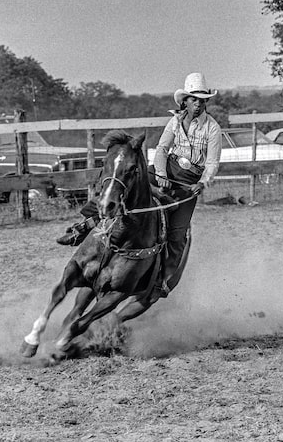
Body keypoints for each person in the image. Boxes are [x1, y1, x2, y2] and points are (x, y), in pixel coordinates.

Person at [55, 72, 222, 298]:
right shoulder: (175, 122)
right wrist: (160, 173)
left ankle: (164, 278)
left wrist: (203, 182)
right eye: (194, 99)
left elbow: (212, 162)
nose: (198, 104)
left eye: (202, 100)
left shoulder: (212, 128)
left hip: (188, 183)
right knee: (120, 187)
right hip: (165, 169)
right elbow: (162, 149)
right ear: (185, 101)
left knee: (178, 232)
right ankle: (82, 227)